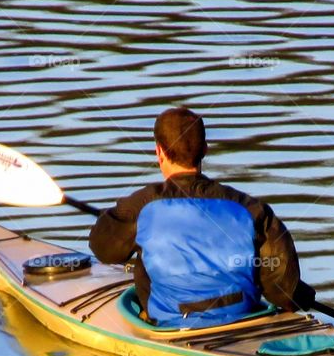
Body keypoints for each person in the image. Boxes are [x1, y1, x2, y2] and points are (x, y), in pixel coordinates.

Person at [89, 107, 314, 328]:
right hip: (242, 317)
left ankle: (153, 316)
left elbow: (104, 250)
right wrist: (300, 294)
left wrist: (112, 220)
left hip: (173, 323)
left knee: (143, 256)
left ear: (159, 152)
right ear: (205, 149)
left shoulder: (141, 205)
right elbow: (283, 287)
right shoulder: (251, 209)